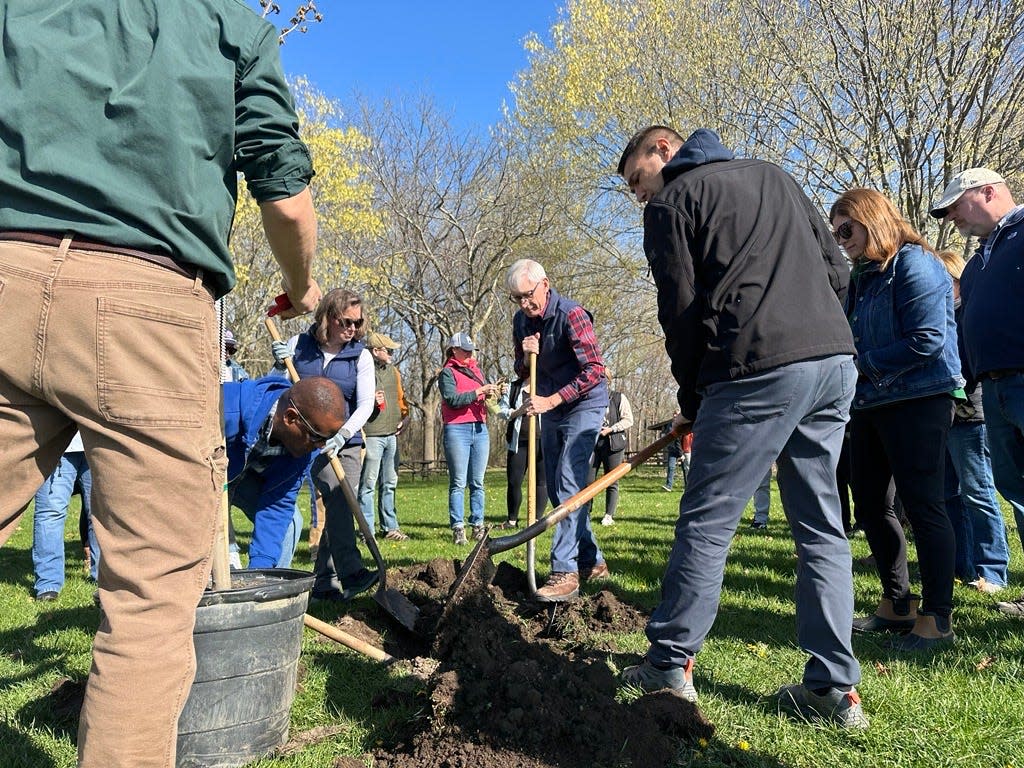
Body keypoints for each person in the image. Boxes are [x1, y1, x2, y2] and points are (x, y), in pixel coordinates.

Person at [0, 4, 320, 766]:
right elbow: (286, 199)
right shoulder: (231, 26)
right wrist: (300, 286)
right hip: (149, 303)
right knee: (147, 605)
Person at [617, 126, 866, 728]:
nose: (638, 197)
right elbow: (837, 269)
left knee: (708, 519)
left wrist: (693, 394)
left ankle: (669, 665)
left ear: (663, 154)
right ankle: (834, 689)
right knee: (821, 524)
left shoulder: (675, 202)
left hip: (755, 367)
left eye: (635, 181)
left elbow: (679, 311)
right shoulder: (776, 176)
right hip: (834, 362)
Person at [831, 188, 962, 650]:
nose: (840, 238)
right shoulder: (864, 278)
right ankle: (897, 601)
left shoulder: (915, 263)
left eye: (846, 228)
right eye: (836, 231)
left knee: (924, 505)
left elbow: (927, 340)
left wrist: (860, 364)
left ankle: (938, 617)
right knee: (869, 505)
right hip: (870, 404)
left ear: (874, 219)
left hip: (920, 398)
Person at [930, 168, 1024, 618]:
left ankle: (993, 567)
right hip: (995, 387)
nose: (951, 219)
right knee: (1016, 489)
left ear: (989, 192)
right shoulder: (982, 258)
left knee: (989, 488)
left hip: (1016, 383)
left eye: (956, 207)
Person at [508, 259, 610, 601]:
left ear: (545, 284)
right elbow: (522, 370)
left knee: (568, 479)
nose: (524, 304)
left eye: (528, 295)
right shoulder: (521, 321)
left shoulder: (571, 314)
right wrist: (525, 356)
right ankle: (591, 559)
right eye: (517, 298)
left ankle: (564, 571)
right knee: (557, 488)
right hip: (548, 405)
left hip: (584, 404)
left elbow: (595, 369)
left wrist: (553, 400)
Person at [272, 288, 378, 601]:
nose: (353, 329)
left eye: (358, 323)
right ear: (329, 318)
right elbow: (278, 387)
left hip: (344, 442)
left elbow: (365, 404)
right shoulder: (298, 346)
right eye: (347, 321)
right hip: (301, 441)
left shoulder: (360, 355)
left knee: (339, 500)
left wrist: (343, 434)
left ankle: (332, 578)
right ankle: (342, 574)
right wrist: (280, 365)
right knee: (317, 503)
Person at [934, 250, 1010, 594]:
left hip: (969, 415)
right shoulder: (942, 317)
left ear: (955, 281)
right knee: (949, 493)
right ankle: (962, 564)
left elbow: (968, 366)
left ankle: (992, 570)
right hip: (944, 417)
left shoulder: (967, 315)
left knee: (977, 493)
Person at [225, 376, 345, 569]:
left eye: (327, 439)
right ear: (290, 418)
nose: (320, 447)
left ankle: (266, 587)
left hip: (243, 479)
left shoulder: (305, 450)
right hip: (202, 480)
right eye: (317, 437)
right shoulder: (226, 409)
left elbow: (277, 505)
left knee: (289, 524)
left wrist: (259, 573)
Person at [438, 332, 499, 545]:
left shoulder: (476, 371)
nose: (469, 354)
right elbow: (452, 399)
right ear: (454, 350)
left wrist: (490, 393)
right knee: (458, 481)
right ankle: (458, 527)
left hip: (480, 428)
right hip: (457, 429)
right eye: (465, 350)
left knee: (477, 482)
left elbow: (479, 395)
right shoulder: (447, 373)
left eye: (470, 350)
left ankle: (478, 525)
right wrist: (478, 391)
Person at [32, 433, 100, 601]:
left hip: (98, 443)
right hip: (55, 446)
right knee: (50, 514)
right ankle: (48, 584)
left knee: (100, 514)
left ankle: (104, 579)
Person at [358, 332, 411, 541]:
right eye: (388, 350)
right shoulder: (362, 371)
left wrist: (405, 417)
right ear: (375, 351)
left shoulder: (393, 372)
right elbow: (353, 402)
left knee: (389, 483)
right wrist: (369, 402)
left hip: (392, 436)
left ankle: (390, 528)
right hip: (371, 435)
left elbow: (401, 399)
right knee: (368, 485)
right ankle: (367, 531)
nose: (391, 354)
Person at [497, 375, 547, 529]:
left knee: (541, 481)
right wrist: (519, 411)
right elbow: (501, 410)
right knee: (514, 481)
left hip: (542, 441)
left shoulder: (546, 385)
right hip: (518, 442)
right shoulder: (514, 388)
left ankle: (537, 520)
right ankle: (512, 520)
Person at [587, 371, 634, 526]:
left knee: (611, 480)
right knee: (588, 481)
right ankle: (586, 513)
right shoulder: (589, 398)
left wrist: (612, 429)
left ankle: (608, 515)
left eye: (602, 379)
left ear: (608, 381)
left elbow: (628, 420)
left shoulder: (618, 397)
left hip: (613, 444)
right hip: (593, 443)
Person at [661, 418, 683, 491]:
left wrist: (681, 454)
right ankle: (668, 486)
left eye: (676, 415)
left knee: (686, 468)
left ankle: (688, 486)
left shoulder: (683, 424)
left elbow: (679, 441)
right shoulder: (670, 426)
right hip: (672, 450)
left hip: (683, 450)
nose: (675, 416)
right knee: (671, 467)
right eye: (674, 415)